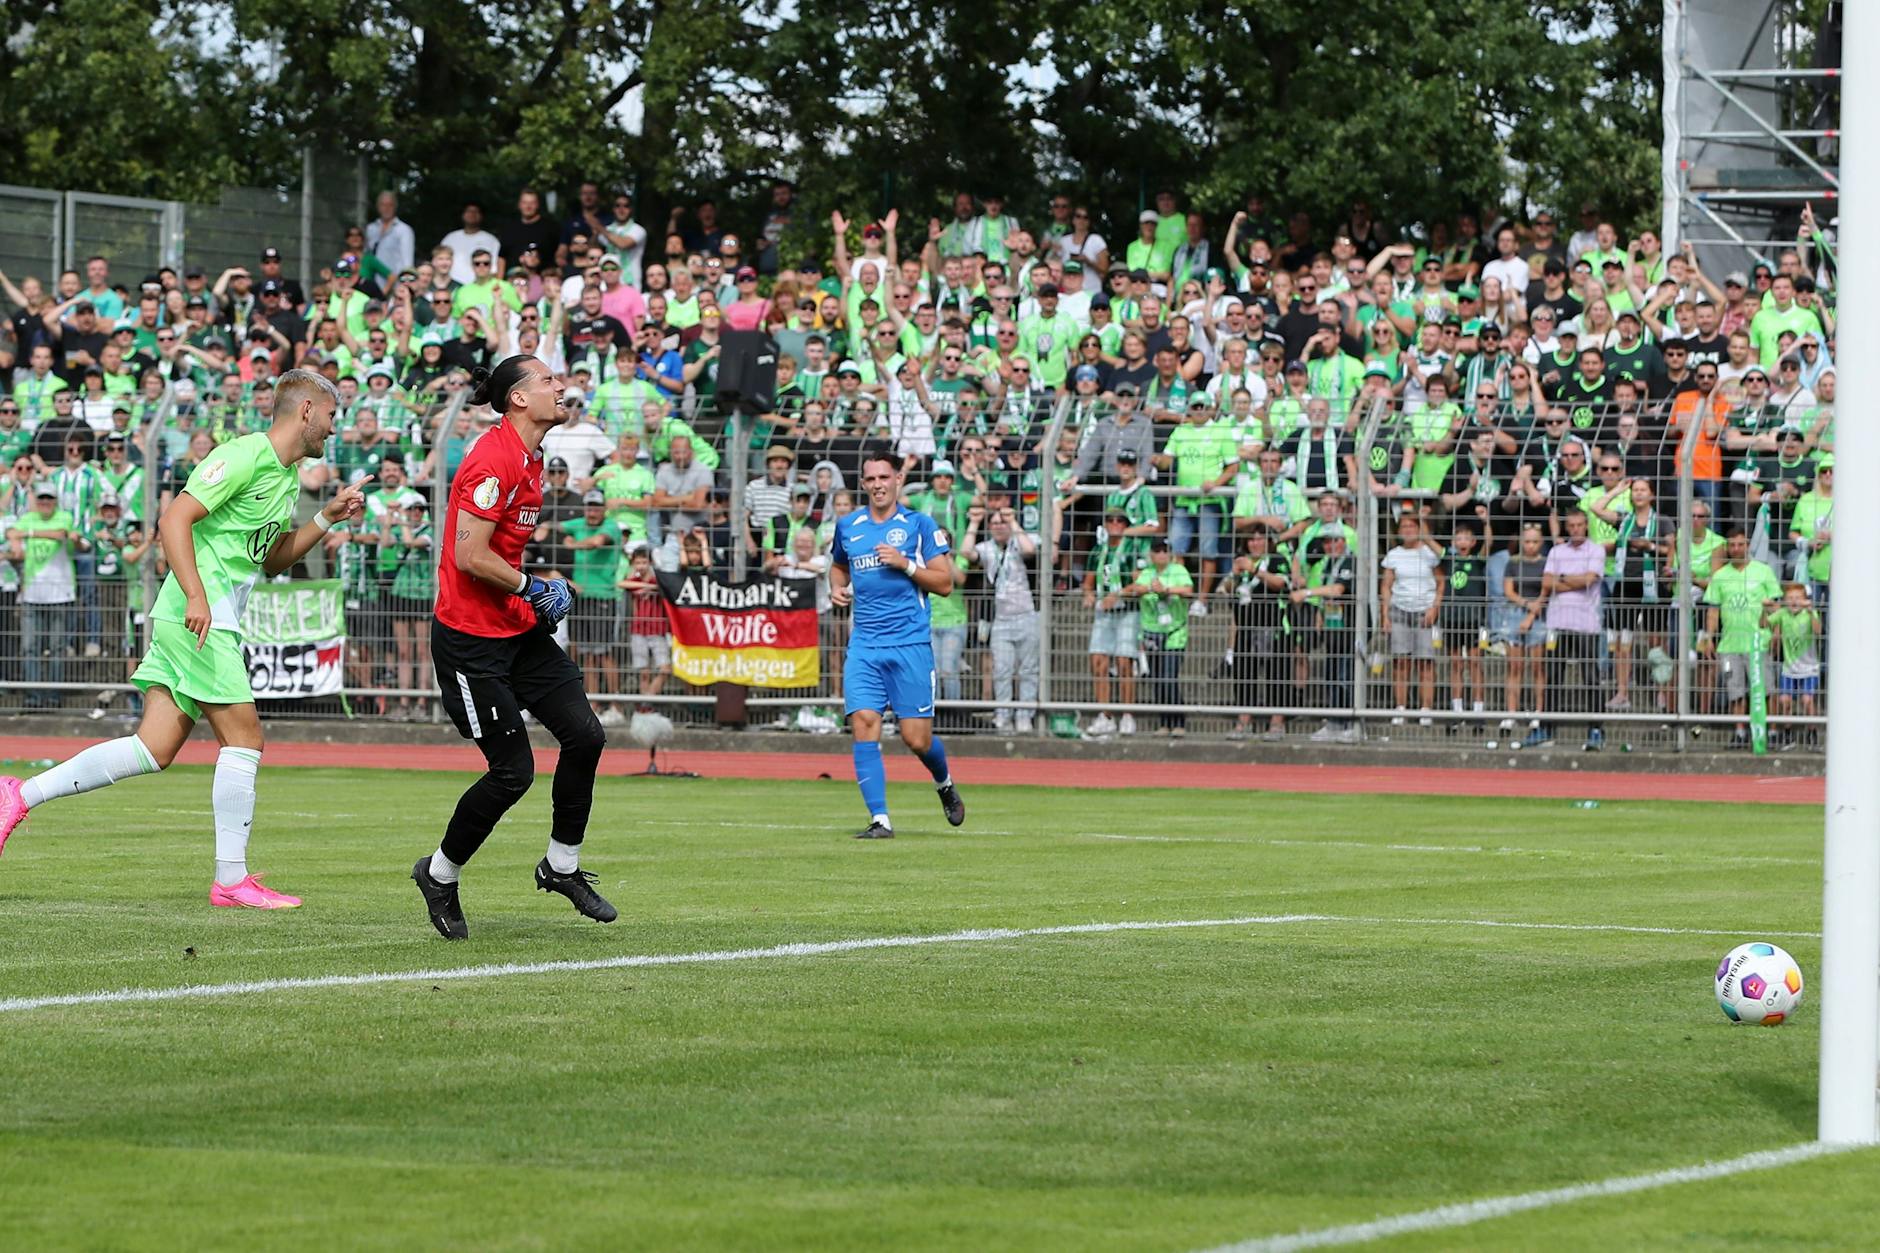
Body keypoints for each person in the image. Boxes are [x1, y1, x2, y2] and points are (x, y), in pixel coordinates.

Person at [0, 370, 371, 907]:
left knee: (152, 748)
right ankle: (231, 881)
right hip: (200, 616)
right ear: (307, 411)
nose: (335, 429)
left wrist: (326, 518)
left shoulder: (287, 476)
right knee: (244, 740)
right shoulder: (243, 455)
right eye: (333, 416)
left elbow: (271, 558)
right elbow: (173, 519)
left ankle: (18, 794)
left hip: (199, 615)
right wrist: (197, 596)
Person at [414, 354, 615, 939]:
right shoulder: (493, 459)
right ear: (519, 398)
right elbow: (468, 555)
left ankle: (561, 867)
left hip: (516, 627)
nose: (562, 385)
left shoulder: (533, 455)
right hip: (471, 641)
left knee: (586, 735)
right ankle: (439, 874)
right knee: (512, 773)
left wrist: (537, 588)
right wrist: (534, 586)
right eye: (549, 379)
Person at [827, 454, 965, 840]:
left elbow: (945, 583)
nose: (877, 484)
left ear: (898, 479)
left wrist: (905, 565)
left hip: (910, 644)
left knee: (915, 738)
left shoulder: (919, 525)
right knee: (864, 722)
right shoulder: (848, 526)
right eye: (870, 478)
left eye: (884, 477)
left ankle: (944, 782)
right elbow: (838, 566)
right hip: (865, 645)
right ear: (863, 483)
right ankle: (880, 819)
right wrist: (836, 588)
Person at [1124, 537, 1194, 736]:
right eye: (1157, 551)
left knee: (1169, 678)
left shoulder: (1178, 570)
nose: (1162, 554)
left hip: (1174, 632)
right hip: (1151, 633)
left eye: (1165, 550)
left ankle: (1178, 721)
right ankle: (1164, 722)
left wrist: (1167, 590)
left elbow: (1188, 590)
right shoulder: (1147, 573)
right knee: (1157, 679)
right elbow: (1136, 588)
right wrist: (1149, 588)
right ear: (1151, 554)